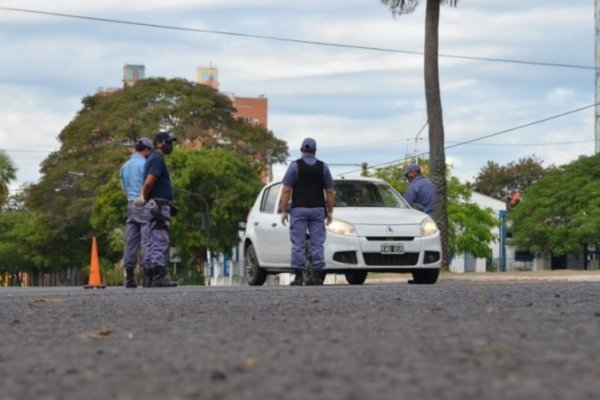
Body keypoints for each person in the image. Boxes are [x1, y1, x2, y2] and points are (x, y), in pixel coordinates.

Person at [279, 138, 335, 286]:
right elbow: (329, 191)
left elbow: (286, 190)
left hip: (299, 209)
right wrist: (330, 211)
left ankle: (298, 277)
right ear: (315, 151)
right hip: (318, 210)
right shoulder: (323, 167)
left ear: (301, 149)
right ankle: (317, 277)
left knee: (298, 244)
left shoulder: (294, 166)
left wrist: (284, 211)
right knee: (318, 243)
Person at [134, 131, 178, 288]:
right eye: (168, 142)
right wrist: (144, 197)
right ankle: (158, 276)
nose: (171, 145)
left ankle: (149, 276)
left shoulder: (152, 158)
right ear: (159, 143)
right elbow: (149, 182)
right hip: (158, 205)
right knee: (159, 239)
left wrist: (144, 199)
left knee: (150, 240)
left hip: (152, 205)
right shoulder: (157, 159)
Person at [119, 137, 154, 288]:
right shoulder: (146, 165)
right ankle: (148, 276)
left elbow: (124, 191)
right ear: (146, 150)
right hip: (144, 203)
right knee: (147, 239)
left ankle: (129, 277)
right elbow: (149, 184)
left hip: (131, 205)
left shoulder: (124, 166)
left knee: (131, 241)